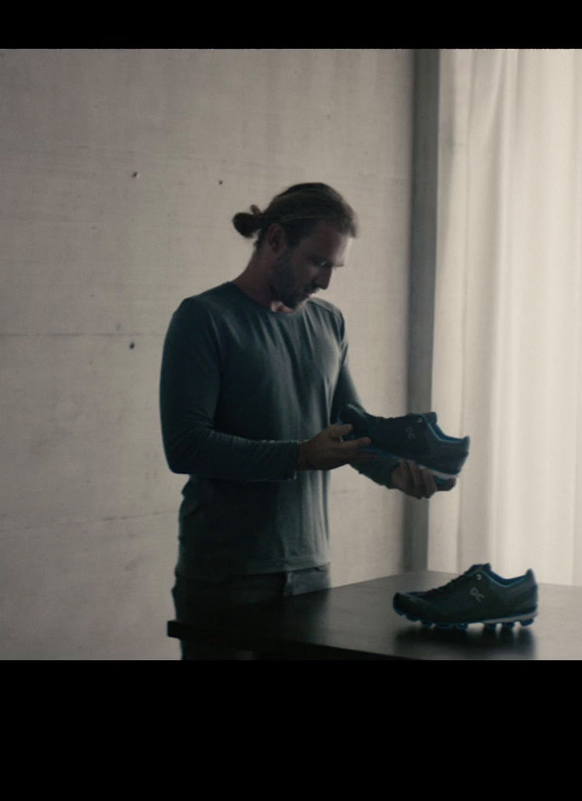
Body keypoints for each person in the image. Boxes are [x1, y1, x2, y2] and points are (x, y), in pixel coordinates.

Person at [159, 182, 444, 659]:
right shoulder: (204, 318)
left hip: (311, 571)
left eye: (334, 267)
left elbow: (351, 432)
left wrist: (396, 470)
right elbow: (185, 446)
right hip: (224, 578)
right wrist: (299, 455)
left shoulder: (328, 322)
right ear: (275, 241)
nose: (325, 281)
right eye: (318, 262)